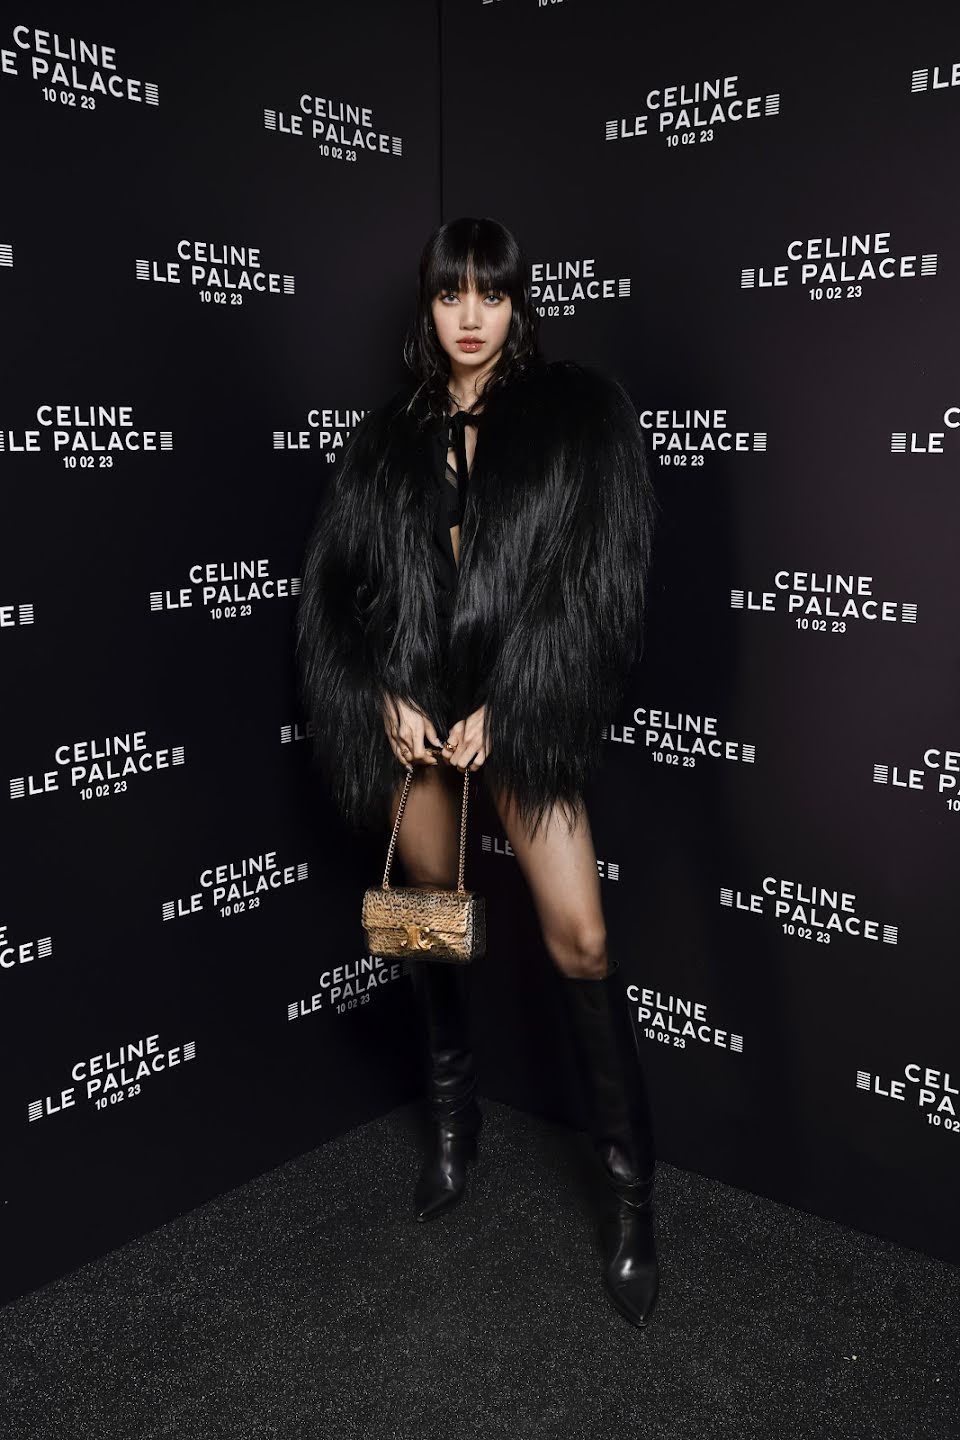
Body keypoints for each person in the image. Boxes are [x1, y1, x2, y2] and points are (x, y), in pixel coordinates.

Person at [296, 217, 660, 1329]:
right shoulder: (384, 441)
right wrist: (384, 695)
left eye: (489, 295)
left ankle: (632, 1199)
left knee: (580, 938)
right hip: (416, 715)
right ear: (428, 304)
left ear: (516, 306)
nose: (469, 316)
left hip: (518, 707)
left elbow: (597, 586)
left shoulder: (574, 419)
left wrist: (517, 699)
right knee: (426, 919)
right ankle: (454, 1128)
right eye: (451, 293)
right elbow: (334, 594)